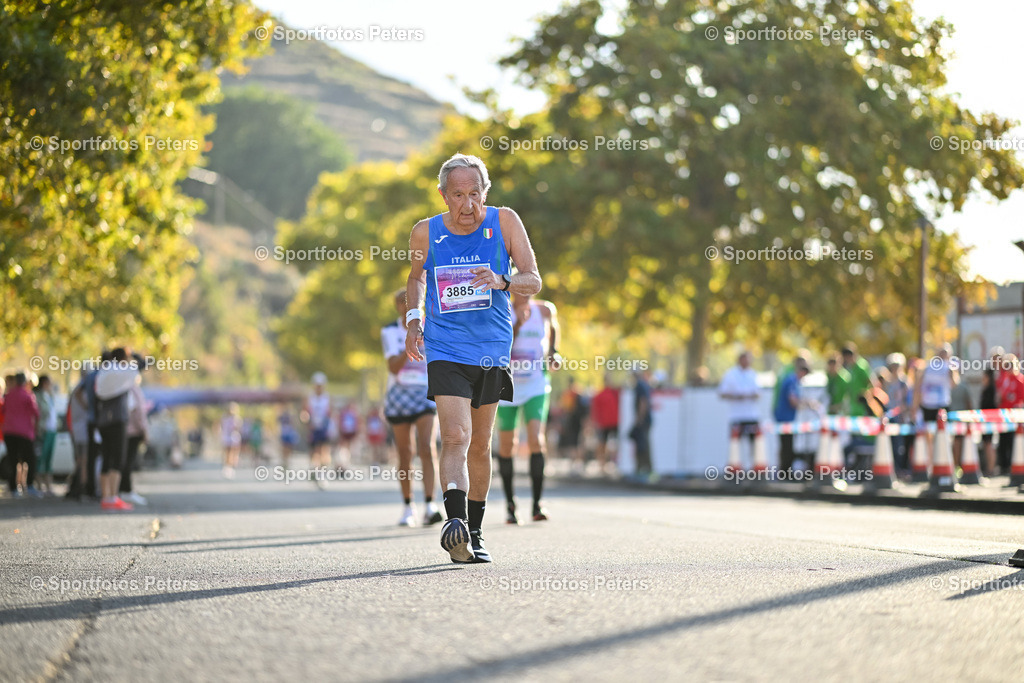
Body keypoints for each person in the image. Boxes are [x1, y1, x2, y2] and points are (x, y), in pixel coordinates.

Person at [404, 152, 541, 564]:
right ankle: (456, 524)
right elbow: (416, 278)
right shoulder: (425, 233)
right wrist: (414, 320)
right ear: (443, 195)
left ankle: (476, 531)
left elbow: (533, 280)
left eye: (475, 194)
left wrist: (502, 280)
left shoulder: (505, 222)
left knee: (480, 445)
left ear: (486, 192)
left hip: (491, 350)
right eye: (458, 195)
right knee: (455, 436)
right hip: (444, 347)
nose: (468, 204)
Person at [496, 293, 561, 524]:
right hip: (507, 386)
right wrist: (517, 325)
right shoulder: (501, 309)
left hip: (535, 384)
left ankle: (537, 504)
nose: (526, 294)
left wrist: (553, 351)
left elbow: (553, 328)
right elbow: (501, 345)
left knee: (536, 440)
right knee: (507, 445)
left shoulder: (544, 310)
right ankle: (510, 505)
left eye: (530, 289)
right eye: (521, 289)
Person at [382, 288, 442, 527]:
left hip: (425, 392)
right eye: (401, 302)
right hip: (399, 394)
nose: (406, 306)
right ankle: (408, 507)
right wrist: (411, 343)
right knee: (405, 452)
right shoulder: (389, 331)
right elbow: (393, 367)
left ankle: (430, 504)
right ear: (397, 306)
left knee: (427, 447)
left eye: (411, 301)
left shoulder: (433, 326)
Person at [94, 349, 139, 511]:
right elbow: (142, 365)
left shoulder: (103, 372)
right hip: (118, 419)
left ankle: (105, 497)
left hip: (103, 420)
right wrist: (135, 354)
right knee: (118, 458)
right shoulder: (121, 372)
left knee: (106, 457)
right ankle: (113, 496)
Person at [912, 344, 958, 464]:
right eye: (941, 353)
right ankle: (932, 463)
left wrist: (952, 371)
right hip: (928, 405)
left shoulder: (949, 368)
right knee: (929, 436)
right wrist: (915, 407)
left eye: (945, 354)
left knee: (946, 435)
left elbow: (954, 384)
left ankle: (947, 462)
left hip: (942, 405)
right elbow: (918, 388)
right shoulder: (927, 368)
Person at [718, 351, 760, 468]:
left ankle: (754, 467)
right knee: (735, 444)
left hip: (751, 415)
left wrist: (750, 396)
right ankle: (735, 468)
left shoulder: (753, 374)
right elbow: (722, 393)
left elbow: (758, 393)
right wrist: (736, 396)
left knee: (754, 443)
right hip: (736, 415)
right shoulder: (730, 374)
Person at [3, 372, 40, 498]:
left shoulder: (8, 395)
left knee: (13, 460)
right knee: (30, 459)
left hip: (9, 431)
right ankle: (29, 485)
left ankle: (13, 487)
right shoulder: (27, 395)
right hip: (24, 432)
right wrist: (36, 429)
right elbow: (36, 413)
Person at [773, 358, 811, 474]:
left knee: (786, 445)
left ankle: (784, 470)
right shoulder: (792, 381)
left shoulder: (790, 379)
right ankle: (785, 471)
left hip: (786, 416)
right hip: (785, 418)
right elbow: (792, 400)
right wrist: (804, 405)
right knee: (787, 445)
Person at [121, 363, 149, 506]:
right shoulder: (133, 389)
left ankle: (125, 489)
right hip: (133, 431)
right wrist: (144, 430)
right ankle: (126, 490)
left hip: (127, 430)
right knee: (128, 461)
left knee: (126, 461)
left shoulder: (124, 388)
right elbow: (138, 412)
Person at [996, 353, 1024, 474]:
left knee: (1013, 441)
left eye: (1010, 365)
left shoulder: (1020, 380)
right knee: (1003, 441)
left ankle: (1014, 465)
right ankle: (1004, 466)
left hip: (1015, 417)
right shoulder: (1003, 379)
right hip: (1003, 415)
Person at [303, 373, 332, 481]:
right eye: (317, 385)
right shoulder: (310, 398)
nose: (319, 387)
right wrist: (307, 421)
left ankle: (323, 471)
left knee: (324, 449)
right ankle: (314, 469)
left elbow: (330, 412)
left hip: (324, 427)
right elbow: (305, 412)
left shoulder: (327, 398)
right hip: (313, 427)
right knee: (314, 450)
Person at [590, 373, 620, 475]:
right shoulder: (600, 395)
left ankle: (613, 463)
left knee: (615, 444)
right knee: (602, 444)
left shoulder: (615, 393)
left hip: (615, 422)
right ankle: (602, 464)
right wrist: (595, 422)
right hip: (604, 424)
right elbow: (595, 410)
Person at [34, 375, 58, 496]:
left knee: (48, 459)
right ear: (44, 383)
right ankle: (39, 486)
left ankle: (48, 486)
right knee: (40, 458)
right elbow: (39, 413)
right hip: (43, 431)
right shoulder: (38, 396)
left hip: (52, 430)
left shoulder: (50, 396)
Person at [630, 369, 653, 476]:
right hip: (645, 419)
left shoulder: (640, 385)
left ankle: (645, 469)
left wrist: (639, 418)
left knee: (643, 445)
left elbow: (643, 402)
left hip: (643, 420)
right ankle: (642, 468)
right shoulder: (644, 384)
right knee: (642, 444)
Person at [980, 363, 998, 476]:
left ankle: (991, 468)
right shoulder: (987, 389)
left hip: (989, 420)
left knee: (989, 444)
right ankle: (989, 467)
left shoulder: (991, 390)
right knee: (987, 444)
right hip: (985, 420)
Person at [220, 402, 243, 479]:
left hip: (234, 438)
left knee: (233, 453)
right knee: (228, 453)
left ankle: (231, 467)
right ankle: (227, 468)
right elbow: (223, 427)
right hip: (227, 438)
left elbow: (238, 428)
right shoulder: (225, 418)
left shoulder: (237, 418)